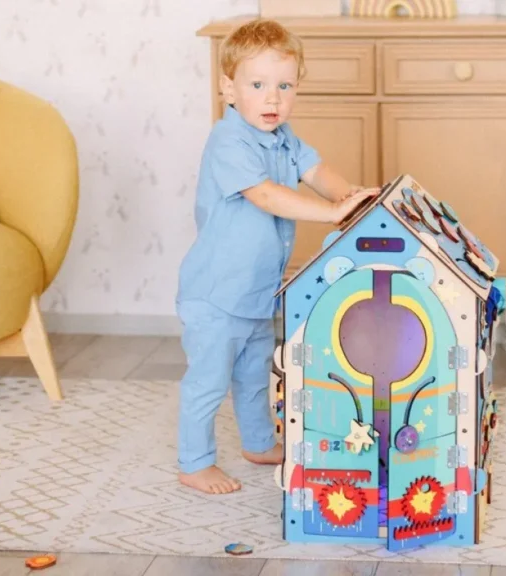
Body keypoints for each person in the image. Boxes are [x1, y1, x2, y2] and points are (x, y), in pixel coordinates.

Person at [175, 18, 379, 495]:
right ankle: (194, 463)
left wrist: (351, 197)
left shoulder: (284, 138)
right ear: (228, 88)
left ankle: (258, 442)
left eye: (285, 86)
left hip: (257, 293)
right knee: (208, 382)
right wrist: (330, 213)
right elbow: (264, 195)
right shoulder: (228, 142)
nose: (273, 99)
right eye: (258, 85)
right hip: (216, 295)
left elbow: (317, 170)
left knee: (253, 377)